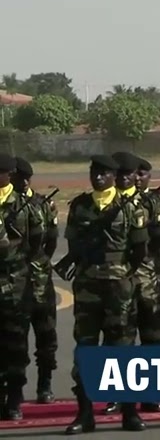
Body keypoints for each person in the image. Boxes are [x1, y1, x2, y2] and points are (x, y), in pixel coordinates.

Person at [61, 154, 149, 434]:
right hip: (87, 288)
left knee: (122, 349)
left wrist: (119, 273)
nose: (98, 178)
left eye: (103, 174)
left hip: (118, 289)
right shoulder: (80, 206)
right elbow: (73, 242)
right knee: (85, 350)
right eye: (94, 173)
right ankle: (85, 413)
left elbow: (138, 251)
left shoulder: (130, 208)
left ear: (114, 176)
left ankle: (129, 413)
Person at [103, 151, 160, 415]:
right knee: (118, 337)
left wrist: (149, 251)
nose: (126, 178)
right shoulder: (106, 204)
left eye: (130, 173)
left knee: (152, 336)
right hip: (117, 280)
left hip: (149, 279)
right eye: (120, 174)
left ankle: (151, 393)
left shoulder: (154, 203)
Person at [0, 154, 43, 421]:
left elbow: (37, 244)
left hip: (15, 284)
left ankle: (14, 397)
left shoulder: (24, 206)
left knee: (15, 344)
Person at [12, 157, 58, 405]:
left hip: (41, 284)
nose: (24, 182)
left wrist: (39, 264)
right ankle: (15, 392)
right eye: (19, 178)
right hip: (14, 287)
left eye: (26, 178)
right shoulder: (6, 204)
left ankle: (45, 386)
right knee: (14, 343)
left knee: (46, 340)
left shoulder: (43, 204)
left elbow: (51, 241)